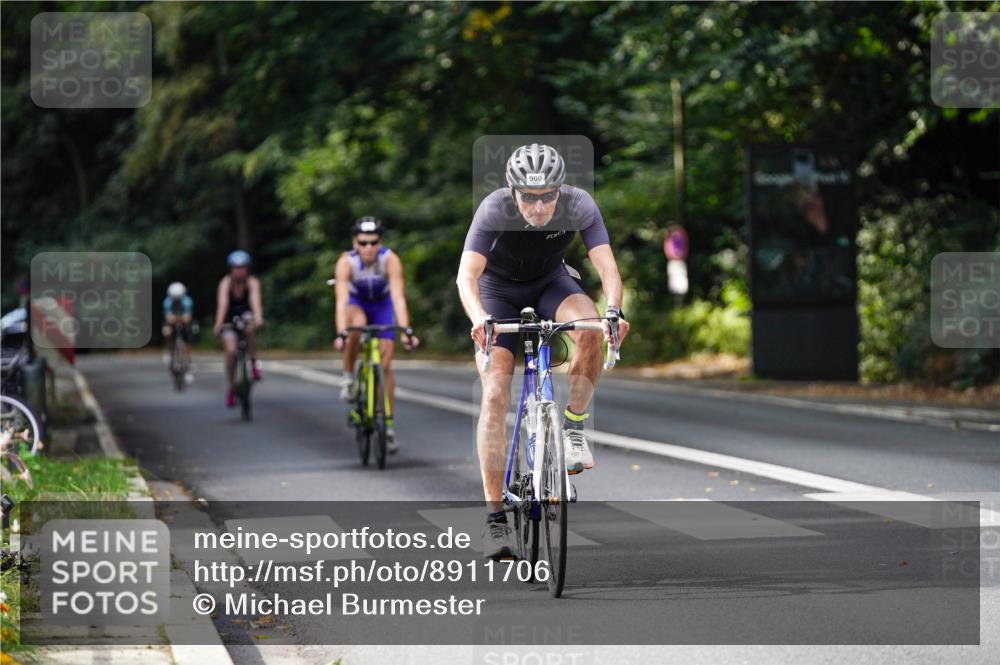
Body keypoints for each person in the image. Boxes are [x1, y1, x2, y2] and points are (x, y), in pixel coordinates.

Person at [456, 143, 630, 559]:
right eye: (529, 197)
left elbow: (607, 267)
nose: (538, 206)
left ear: (560, 190)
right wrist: (479, 316)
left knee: (589, 328)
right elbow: (467, 275)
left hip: (551, 282)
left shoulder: (579, 204)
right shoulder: (494, 209)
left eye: (547, 196)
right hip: (497, 293)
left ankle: (571, 429)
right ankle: (495, 519)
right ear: (513, 191)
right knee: (496, 395)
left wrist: (613, 312)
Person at [333, 216, 420, 454]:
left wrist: (405, 330)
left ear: (380, 242)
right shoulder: (345, 262)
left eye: (373, 242)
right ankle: (349, 377)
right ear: (355, 242)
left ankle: (388, 426)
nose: (368, 247)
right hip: (356, 304)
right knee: (357, 325)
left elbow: (398, 299)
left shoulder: (390, 260)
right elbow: (341, 302)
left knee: (385, 364)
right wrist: (341, 332)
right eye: (363, 242)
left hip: (381, 306)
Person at [212, 250, 264, 408]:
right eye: (236, 267)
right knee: (231, 351)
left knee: (249, 325)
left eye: (243, 267)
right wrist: (218, 324)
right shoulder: (225, 283)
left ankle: (254, 363)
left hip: (246, 315)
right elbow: (223, 304)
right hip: (229, 319)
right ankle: (231, 388)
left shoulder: (252, 282)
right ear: (231, 268)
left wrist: (259, 318)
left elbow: (255, 303)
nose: (240, 271)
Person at [162, 281, 194, 383]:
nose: (176, 301)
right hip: (173, 322)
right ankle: (168, 349)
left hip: (183, 323)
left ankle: (187, 369)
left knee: (186, 344)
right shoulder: (167, 302)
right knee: (167, 331)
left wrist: (178, 319)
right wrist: (178, 319)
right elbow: (168, 318)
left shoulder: (188, 301)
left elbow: (188, 318)